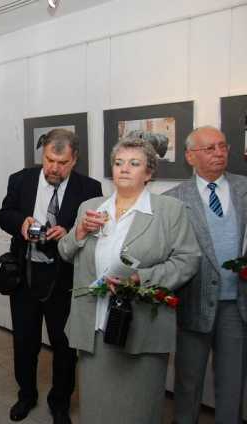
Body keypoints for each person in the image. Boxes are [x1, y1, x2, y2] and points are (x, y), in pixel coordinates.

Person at [58, 137, 200, 423]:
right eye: (118, 162)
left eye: (134, 163)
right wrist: (80, 232)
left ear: (149, 172)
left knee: (139, 408)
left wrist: (140, 278)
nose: (124, 168)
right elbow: (64, 251)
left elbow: (188, 260)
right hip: (94, 327)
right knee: (97, 408)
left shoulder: (169, 210)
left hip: (142, 327)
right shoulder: (91, 206)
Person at [0, 129, 102, 423]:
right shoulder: (21, 180)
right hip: (25, 276)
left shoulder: (90, 188)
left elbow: (97, 231)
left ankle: (60, 403)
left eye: (62, 162)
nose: (54, 168)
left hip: (65, 278)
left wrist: (70, 232)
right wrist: (21, 223)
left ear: (74, 159)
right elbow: (3, 214)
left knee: (64, 346)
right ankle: (26, 395)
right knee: (24, 342)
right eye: (49, 160)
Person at [164, 126, 247, 424]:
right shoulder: (173, 200)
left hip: (236, 305)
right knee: (188, 381)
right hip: (193, 302)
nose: (219, 153)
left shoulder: (244, 188)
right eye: (210, 148)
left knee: (233, 381)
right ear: (190, 156)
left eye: (223, 146)